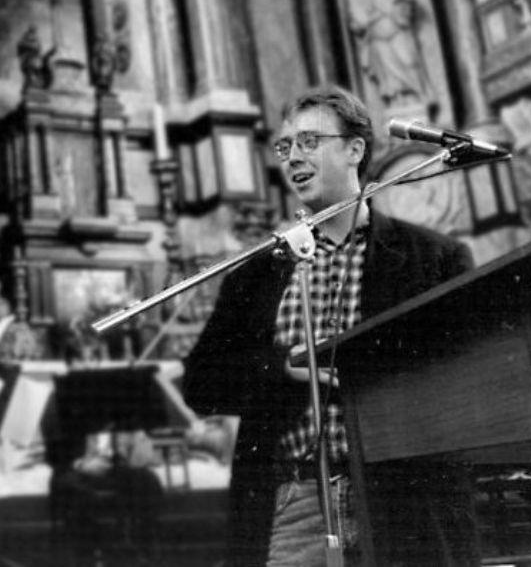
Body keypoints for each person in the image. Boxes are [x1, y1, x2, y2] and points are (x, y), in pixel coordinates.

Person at [183, 86, 477, 566]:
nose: (293, 157)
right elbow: (200, 382)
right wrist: (281, 368)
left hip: (404, 499)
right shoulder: (256, 274)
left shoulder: (433, 258)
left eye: (309, 141)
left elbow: (463, 377)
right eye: (285, 146)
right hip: (294, 501)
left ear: (354, 149)